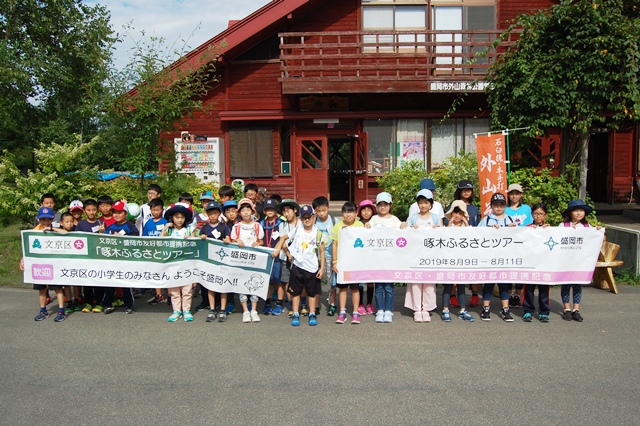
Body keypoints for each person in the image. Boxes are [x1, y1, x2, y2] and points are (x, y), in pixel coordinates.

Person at [278, 205, 327, 326]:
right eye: (304, 218)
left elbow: (322, 252)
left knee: (311, 293)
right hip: (298, 266)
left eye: (309, 217)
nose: (307, 220)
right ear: (301, 218)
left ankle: (312, 313)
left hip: (312, 267)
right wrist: (285, 252)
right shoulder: (297, 230)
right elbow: (284, 237)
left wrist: (322, 268)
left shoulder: (319, 233)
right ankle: (295, 313)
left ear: (313, 217)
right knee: (295, 292)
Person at [365, 192, 407, 323]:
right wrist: (366, 226)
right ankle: (380, 310)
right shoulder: (374, 219)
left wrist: (403, 226)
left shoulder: (394, 219)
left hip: (390, 260)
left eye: (385, 204)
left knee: (388, 286)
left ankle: (389, 310)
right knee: (378, 287)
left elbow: (402, 231)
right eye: (380, 205)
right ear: (376, 206)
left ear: (390, 205)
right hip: (377, 259)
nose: (383, 207)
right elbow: (367, 232)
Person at [22, 207, 67, 322]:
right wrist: (23, 260)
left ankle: (61, 311)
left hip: (54, 264)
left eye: (48, 219)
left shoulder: (54, 229)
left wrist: (52, 229)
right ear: (38, 219)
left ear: (52, 219)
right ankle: (43, 310)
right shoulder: (34, 232)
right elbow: (27, 248)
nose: (45, 222)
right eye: (43, 220)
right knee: (41, 288)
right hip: (40, 264)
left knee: (57, 288)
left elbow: (65, 233)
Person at [477, 193, 516, 322]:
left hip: (505, 258)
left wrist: (512, 229)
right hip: (489, 257)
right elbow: (477, 235)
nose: (498, 208)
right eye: (496, 205)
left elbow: (517, 237)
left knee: (504, 284)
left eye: (501, 205)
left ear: (505, 206)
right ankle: (486, 308)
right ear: (491, 206)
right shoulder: (486, 220)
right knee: (488, 283)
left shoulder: (509, 219)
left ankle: (505, 309)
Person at [405, 190, 438, 322]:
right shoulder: (413, 217)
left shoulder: (435, 217)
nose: (423, 205)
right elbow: (405, 232)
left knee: (429, 283)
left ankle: (426, 309)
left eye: (426, 202)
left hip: (430, 255)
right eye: (421, 203)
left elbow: (441, 233)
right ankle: (417, 309)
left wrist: (437, 229)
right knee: (416, 282)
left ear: (431, 204)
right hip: (416, 254)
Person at [99, 201, 138, 314]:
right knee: (110, 282)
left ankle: (129, 305)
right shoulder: (110, 227)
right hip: (112, 260)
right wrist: (101, 233)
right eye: (114, 212)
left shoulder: (131, 227)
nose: (116, 215)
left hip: (126, 259)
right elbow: (102, 242)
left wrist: (122, 237)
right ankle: (107, 304)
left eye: (119, 212)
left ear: (125, 213)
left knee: (126, 283)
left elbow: (136, 242)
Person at [230, 198, 265, 323]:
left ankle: (254, 310)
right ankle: (245, 311)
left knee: (254, 284)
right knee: (242, 285)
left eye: (248, 210)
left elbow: (261, 241)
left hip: (255, 260)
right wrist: (236, 241)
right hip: (240, 260)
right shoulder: (236, 227)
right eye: (243, 210)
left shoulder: (257, 226)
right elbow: (232, 241)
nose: (245, 213)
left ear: (252, 211)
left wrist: (257, 243)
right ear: (239, 212)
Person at [559, 199, 594, 322]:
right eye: (575, 210)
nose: (579, 213)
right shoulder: (563, 226)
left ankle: (576, 310)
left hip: (580, 261)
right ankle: (566, 309)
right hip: (566, 261)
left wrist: (598, 232)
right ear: (570, 213)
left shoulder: (587, 226)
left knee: (577, 285)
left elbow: (592, 240)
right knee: (566, 285)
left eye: (581, 210)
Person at [439, 200, 474, 322]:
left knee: (461, 286)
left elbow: (472, 239)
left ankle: (463, 310)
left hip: (462, 261)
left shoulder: (468, 228)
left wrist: (466, 223)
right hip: (449, 261)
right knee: (448, 286)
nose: (457, 215)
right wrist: (449, 226)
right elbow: (444, 240)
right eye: (455, 212)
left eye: (460, 213)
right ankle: (445, 309)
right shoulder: (448, 227)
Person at [161, 202, 197, 322]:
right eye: (177, 217)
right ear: (172, 218)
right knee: (174, 289)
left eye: (182, 217)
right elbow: (160, 242)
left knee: (187, 289)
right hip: (173, 263)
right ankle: (176, 310)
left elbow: (195, 245)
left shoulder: (190, 230)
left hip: (187, 263)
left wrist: (190, 239)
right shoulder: (169, 231)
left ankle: (186, 310)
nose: (180, 220)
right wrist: (165, 228)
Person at [330, 202, 364, 324]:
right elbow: (334, 244)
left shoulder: (360, 225)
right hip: (342, 263)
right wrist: (334, 261)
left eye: (350, 212)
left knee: (355, 289)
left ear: (356, 213)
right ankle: (342, 312)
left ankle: (355, 313)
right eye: (345, 212)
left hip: (355, 263)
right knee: (342, 288)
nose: (348, 215)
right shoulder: (338, 226)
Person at [449, 180, 481, 307]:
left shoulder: (474, 208)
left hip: (470, 244)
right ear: (459, 191)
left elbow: (478, 227)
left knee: (472, 271)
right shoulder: (453, 206)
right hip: (454, 246)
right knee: (454, 272)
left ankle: (474, 294)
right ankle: (452, 295)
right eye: (463, 190)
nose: (466, 192)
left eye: (469, 190)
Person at [200, 201, 232, 322]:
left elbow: (228, 238)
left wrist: (227, 240)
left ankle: (223, 309)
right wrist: (202, 237)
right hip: (208, 261)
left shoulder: (224, 226)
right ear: (207, 214)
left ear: (219, 213)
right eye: (210, 213)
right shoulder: (204, 227)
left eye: (215, 213)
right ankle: (212, 309)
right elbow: (199, 240)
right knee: (210, 285)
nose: (212, 216)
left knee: (223, 284)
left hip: (222, 261)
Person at [75, 199, 106, 313]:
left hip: (98, 256)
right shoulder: (81, 224)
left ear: (97, 210)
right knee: (87, 280)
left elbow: (106, 241)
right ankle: (88, 302)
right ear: (84, 211)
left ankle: (99, 302)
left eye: (93, 210)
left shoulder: (101, 223)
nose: (91, 212)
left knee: (98, 279)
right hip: (85, 257)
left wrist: (102, 232)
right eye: (89, 210)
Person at [522, 203, 551, 323]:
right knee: (529, 288)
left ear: (545, 215)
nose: (538, 216)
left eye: (541, 214)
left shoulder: (549, 228)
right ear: (532, 214)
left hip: (544, 263)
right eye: (535, 213)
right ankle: (527, 310)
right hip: (530, 262)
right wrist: (528, 231)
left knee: (544, 288)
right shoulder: (527, 227)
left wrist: (549, 231)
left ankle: (544, 311)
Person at [506, 183, 533, 307]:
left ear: (521, 195)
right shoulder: (505, 209)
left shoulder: (527, 208)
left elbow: (530, 224)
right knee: (509, 270)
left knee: (520, 270)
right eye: (512, 193)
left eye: (517, 194)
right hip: (508, 244)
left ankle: (517, 295)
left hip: (523, 242)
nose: (514, 196)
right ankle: (509, 295)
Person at [275, 199, 302, 317]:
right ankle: (291, 303)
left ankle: (302, 303)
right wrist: (288, 254)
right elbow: (283, 241)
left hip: (300, 257)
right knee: (286, 280)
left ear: (295, 210)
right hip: (285, 256)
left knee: (299, 280)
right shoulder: (282, 225)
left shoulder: (301, 223)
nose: (286, 214)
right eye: (284, 212)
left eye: (288, 211)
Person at [312, 196, 337, 315]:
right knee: (316, 281)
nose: (321, 213)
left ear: (328, 208)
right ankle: (316, 305)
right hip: (316, 256)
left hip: (330, 255)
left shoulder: (334, 221)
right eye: (318, 211)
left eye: (324, 210)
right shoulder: (313, 222)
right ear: (315, 211)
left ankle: (332, 304)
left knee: (331, 281)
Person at [260, 199, 283, 315]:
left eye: (272, 209)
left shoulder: (281, 223)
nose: (269, 211)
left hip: (278, 256)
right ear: (264, 211)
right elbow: (259, 239)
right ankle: (267, 303)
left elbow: (283, 239)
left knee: (278, 281)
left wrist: (278, 250)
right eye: (267, 209)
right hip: (265, 256)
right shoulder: (261, 224)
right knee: (267, 282)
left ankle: (279, 303)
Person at [143, 198, 168, 306]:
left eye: (157, 210)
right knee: (156, 273)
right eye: (153, 210)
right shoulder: (148, 223)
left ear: (162, 210)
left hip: (164, 251)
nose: (155, 212)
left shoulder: (166, 222)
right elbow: (144, 237)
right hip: (152, 252)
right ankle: (159, 295)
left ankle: (171, 294)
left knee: (167, 272)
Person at [356, 199, 376, 315]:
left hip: (372, 256)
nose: (366, 212)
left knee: (370, 281)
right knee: (359, 281)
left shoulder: (376, 224)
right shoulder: (357, 224)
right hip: (359, 257)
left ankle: (369, 303)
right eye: (364, 210)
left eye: (369, 210)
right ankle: (360, 304)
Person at [221, 199, 239, 314]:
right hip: (229, 257)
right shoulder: (223, 226)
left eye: (233, 211)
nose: (231, 213)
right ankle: (231, 302)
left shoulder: (244, 224)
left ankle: (248, 302)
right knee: (229, 279)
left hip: (242, 256)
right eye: (228, 211)